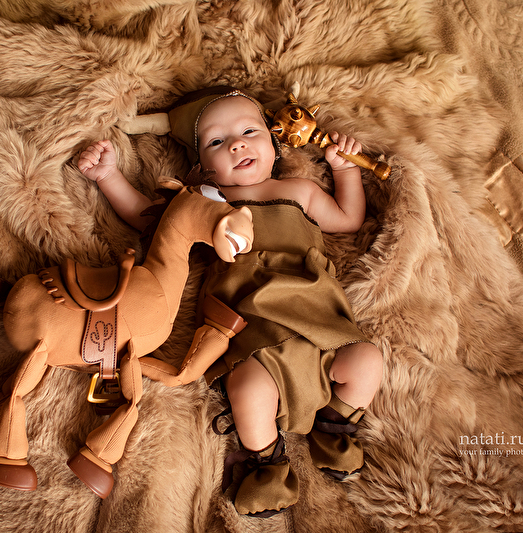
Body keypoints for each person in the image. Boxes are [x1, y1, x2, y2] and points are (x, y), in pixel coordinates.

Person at [78, 86, 384, 516]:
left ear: (275, 143)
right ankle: (266, 462)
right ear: (203, 165)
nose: (237, 144)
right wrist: (108, 176)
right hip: (251, 325)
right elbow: (147, 218)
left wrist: (345, 169)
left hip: (317, 318)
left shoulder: (300, 191)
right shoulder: (207, 200)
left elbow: (349, 220)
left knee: (367, 359)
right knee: (249, 390)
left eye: (248, 132)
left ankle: (336, 424)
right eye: (218, 141)